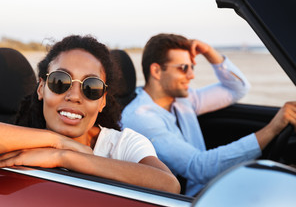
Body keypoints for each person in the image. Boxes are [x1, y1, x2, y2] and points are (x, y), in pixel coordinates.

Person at [0, 35, 180, 194]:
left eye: (91, 87)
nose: (74, 96)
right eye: (61, 81)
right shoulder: (18, 140)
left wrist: (66, 157)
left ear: (102, 100)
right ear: (41, 88)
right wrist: (57, 141)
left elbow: (169, 185)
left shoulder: (123, 144)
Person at [121, 33, 296, 196]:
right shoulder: (141, 118)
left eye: (192, 67)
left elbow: (238, 88)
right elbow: (199, 167)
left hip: (211, 186)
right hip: (189, 201)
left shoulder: (182, 100)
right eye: (183, 68)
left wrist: (209, 52)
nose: (191, 75)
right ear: (157, 71)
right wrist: (273, 129)